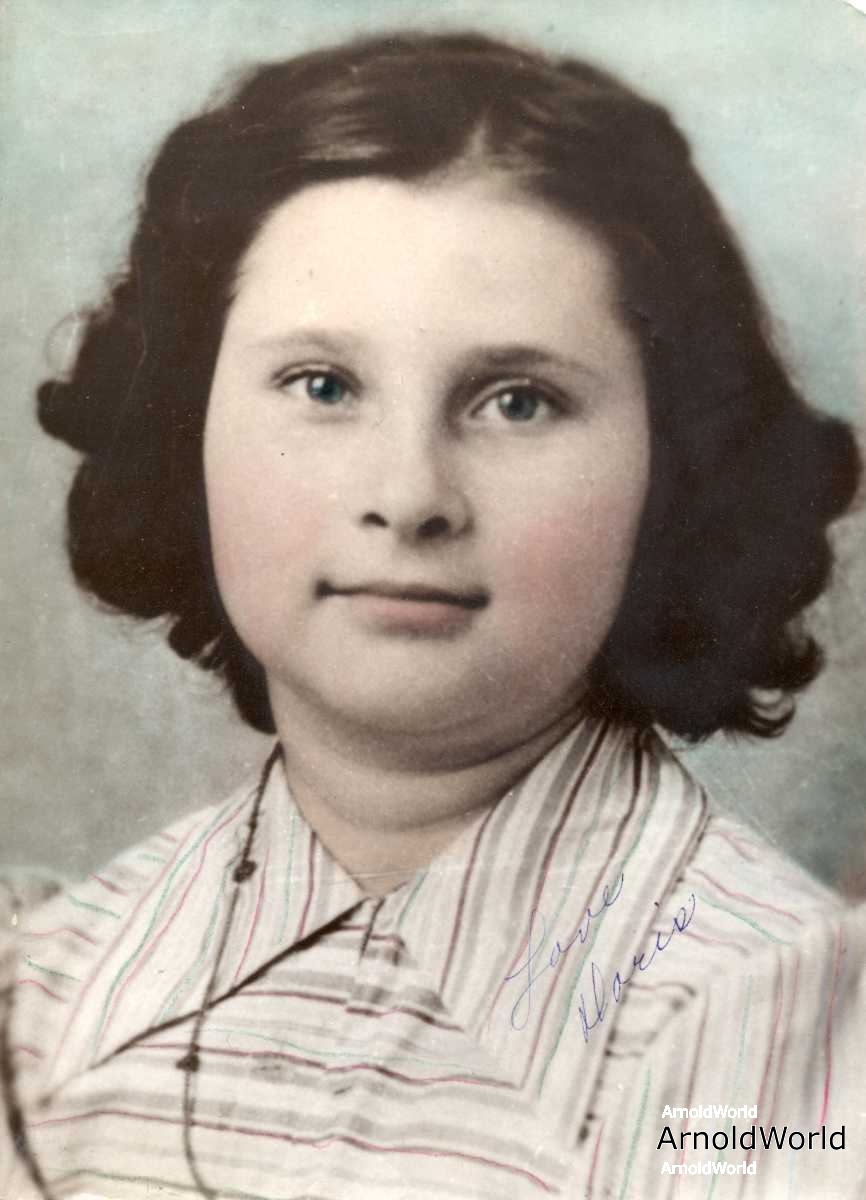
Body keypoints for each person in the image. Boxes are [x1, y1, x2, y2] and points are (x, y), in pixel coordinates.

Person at [1, 28, 864, 1200]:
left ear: (673, 468)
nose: (408, 497)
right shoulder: (39, 994)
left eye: (517, 401)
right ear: (184, 430)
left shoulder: (785, 1042)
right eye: (322, 386)